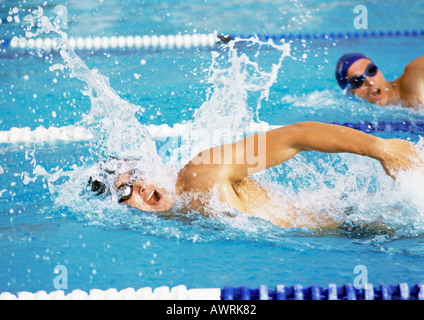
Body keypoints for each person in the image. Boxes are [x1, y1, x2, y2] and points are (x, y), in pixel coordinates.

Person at [89, 121, 423, 229]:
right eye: (124, 191)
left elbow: (295, 136)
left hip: (365, 223)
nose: (141, 186)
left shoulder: (199, 174)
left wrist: (381, 149)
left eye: (136, 175)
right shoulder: (180, 214)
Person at [335, 53, 424, 107]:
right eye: (357, 81)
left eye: (371, 70)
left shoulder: (415, 75)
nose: (369, 82)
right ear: (350, 93)